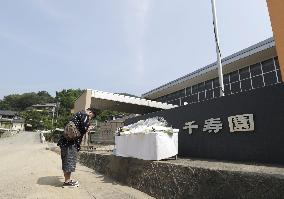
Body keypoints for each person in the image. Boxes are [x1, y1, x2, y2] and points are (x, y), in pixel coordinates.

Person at [57, 108, 97, 188]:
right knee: (70, 161)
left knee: (66, 161)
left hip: (65, 142)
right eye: (91, 117)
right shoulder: (85, 115)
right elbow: (84, 128)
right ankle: (67, 182)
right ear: (90, 112)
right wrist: (89, 128)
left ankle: (67, 179)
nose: (90, 118)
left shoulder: (78, 114)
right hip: (70, 143)